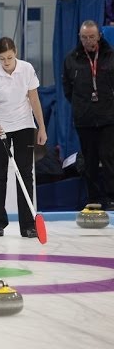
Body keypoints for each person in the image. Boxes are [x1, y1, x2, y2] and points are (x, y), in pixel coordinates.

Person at [0, 37, 47, 238]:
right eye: (2, 59)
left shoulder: (26, 69)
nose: (6, 62)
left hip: (24, 125)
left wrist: (41, 127)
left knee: (25, 173)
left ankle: (28, 225)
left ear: (15, 52)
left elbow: (34, 99)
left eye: (9, 57)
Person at [63, 20, 114, 211]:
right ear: (79, 37)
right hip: (84, 119)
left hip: (108, 117)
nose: (88, 41)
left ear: (99, 35)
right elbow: (67, 89)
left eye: (92, 37)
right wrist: (80, 106)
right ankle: (93, 198)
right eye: (84, 37)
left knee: (108, 157)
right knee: (89, 159)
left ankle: (111, 197)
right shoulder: (72, 59)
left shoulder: (110, 56)